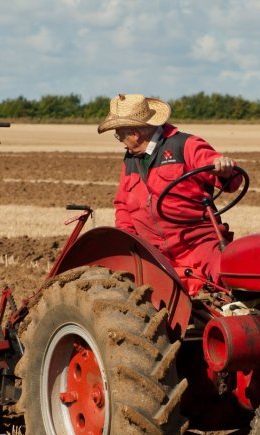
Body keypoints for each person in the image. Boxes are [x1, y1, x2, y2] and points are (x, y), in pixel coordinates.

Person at [98, 93, 241, 295]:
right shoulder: (131, 160)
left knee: (232, 282)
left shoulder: (186, 146)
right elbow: (122, 204)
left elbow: (231, 179)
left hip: (198, 245)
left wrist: (225, 168)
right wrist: (129, 242)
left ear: (135, 133)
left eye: (119, 134)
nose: (120, 140)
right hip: (155, 255)